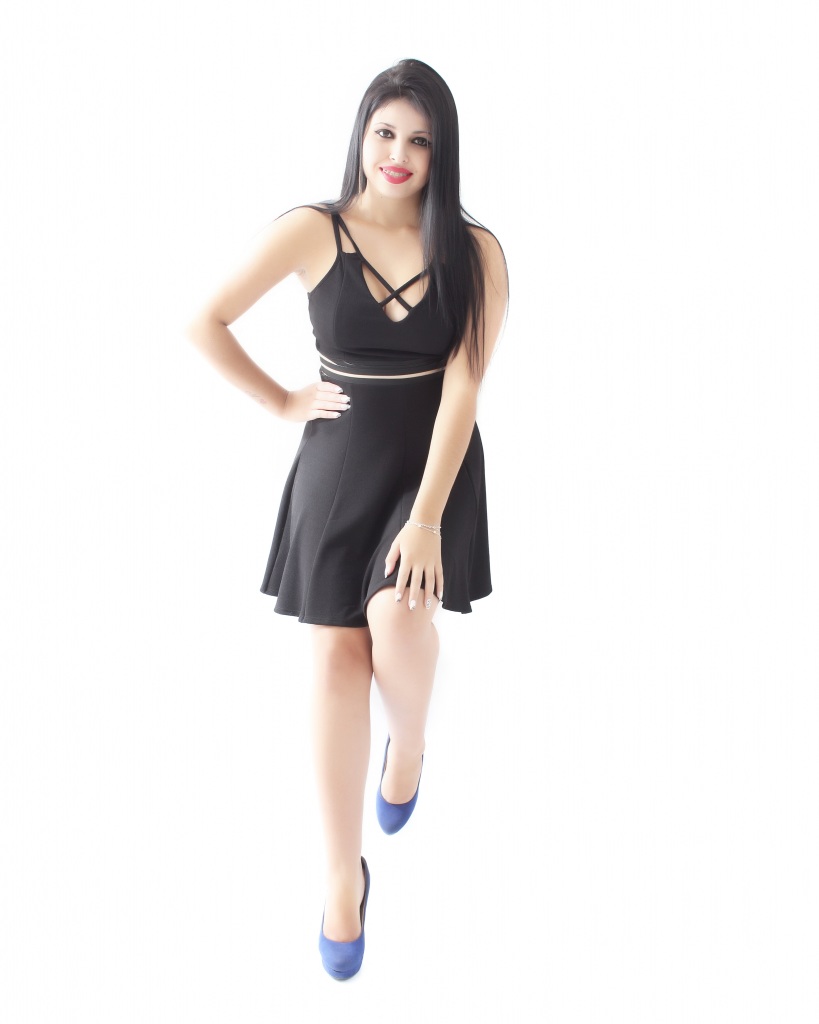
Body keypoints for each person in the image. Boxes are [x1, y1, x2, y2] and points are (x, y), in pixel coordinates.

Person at [186, 58, 508, 980]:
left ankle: (409, 744)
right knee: (333, 656)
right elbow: (205, 320)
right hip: (337, 464)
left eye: (419, 139)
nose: (398, 153)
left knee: (399, 617)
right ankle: (340, 875)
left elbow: (463, 387)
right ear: (360, 135)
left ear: (442, 152)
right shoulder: (311, 229)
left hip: (432, 467)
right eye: (384, 132)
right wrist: (283, 401)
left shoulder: (475, 250)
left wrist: (428, 518)